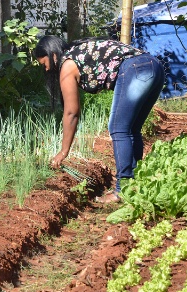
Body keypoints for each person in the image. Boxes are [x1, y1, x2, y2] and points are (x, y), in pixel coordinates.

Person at [34, 35, 164, 203]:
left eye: (44, 64)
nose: (45, 70)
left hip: (135, 68)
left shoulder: (67, 65)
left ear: (53, 55)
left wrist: (63, 151)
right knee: (132, 129)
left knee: (118, 128)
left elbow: (71, 112)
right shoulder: (76, 52)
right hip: (155, 67)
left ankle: (122, 190)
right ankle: (135, 183)